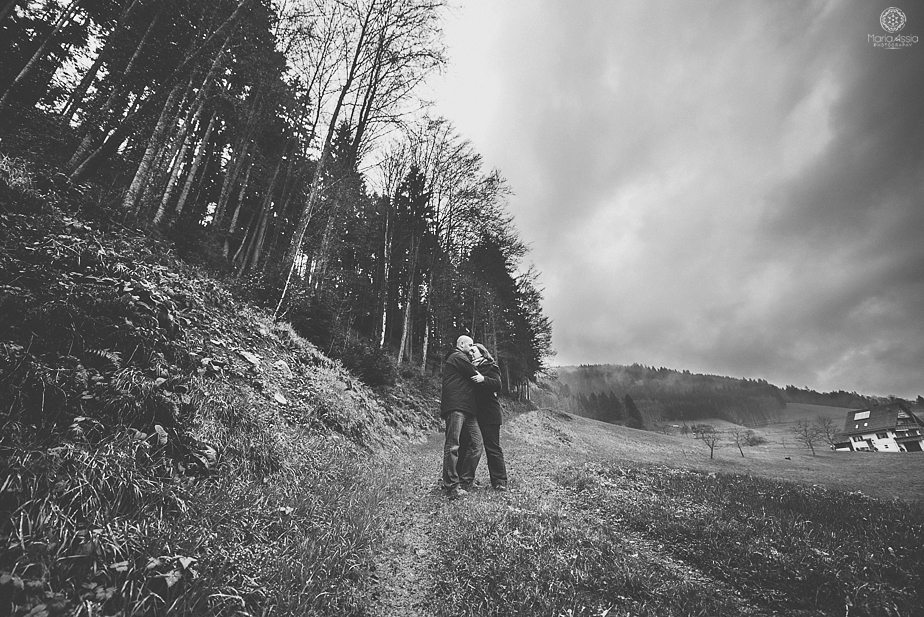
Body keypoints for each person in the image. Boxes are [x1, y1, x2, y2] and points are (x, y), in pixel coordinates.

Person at [459, 342, 508, 491]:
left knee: (492, 448)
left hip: (489, 414)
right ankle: (464, 480)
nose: (471, 353)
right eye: (470, 352)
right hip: (473, 414)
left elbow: (498, 385)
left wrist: (483, 379)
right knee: (469, 446)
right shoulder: (470, 368)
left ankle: (499, 481)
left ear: (482, 352)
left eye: (474, 351)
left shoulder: (491, 367)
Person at [440, 335, 484, 499]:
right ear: (461, 344)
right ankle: (451, 486)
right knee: (453, 445)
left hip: (467, 409)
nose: (472, 348)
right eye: (470, 345)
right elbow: (475, 374)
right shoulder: (457, 356)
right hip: (456, 407)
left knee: (476, 443)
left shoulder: (460, 358)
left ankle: (465, 481)